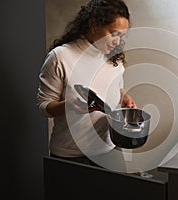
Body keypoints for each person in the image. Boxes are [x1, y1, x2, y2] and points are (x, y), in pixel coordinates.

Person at [37, 0, 136, 171]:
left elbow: (116, 87)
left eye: (121, 35)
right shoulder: (61, 57)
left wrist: (124, 96)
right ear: (93, 24)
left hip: (109, 150)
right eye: (113, 33)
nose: (117, 41)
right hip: (71, 156)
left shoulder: (114, 58)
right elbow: (43, 106)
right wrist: (69, 106)